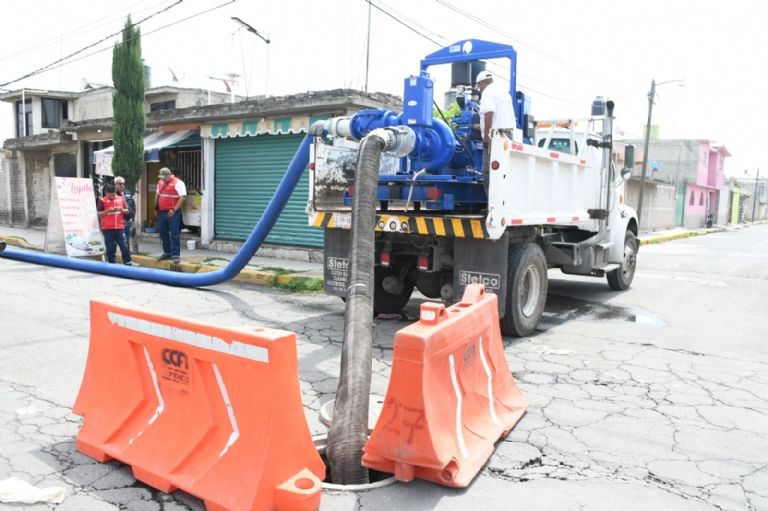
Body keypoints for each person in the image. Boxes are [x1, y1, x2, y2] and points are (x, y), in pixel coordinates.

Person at [476, 70, 517, 195]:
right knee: (503, 172)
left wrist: (486, 138)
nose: (479, 89)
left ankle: (492, 204)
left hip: (495, 137)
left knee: (488, 172)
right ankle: (503, 202)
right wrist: (480, 127)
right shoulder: (504, 92)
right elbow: (500, 117)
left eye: (479, 86)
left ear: (482, 83)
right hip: (508, 136)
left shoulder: (487, 92)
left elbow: (489, 113)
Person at [155, 167, 186, 263]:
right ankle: (167, 252)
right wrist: (155, 207)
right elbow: (157, 195)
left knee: (174, 233)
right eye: (161, 177)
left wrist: (174, 209)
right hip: (162, 211)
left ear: (169, 175)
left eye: (164, 177)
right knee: (163, 233)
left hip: (173, 212)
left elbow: (183, 197)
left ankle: (176, 254)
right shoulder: (160, 182)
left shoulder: (178, 183)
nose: (163, 179)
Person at [97, 184, 134, 265]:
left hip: (119, 227)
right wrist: (107, 211)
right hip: (107, 228)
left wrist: (122, 210)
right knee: (110, 247)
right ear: (106, 193)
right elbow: (98, 214)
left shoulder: (121, 199)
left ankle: (127, 261)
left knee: (124, 245)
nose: (112, 196)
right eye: (110, 195)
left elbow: (127, 210)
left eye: (113, 194)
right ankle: (112, 262)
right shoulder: (102, 201)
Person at [114, 176, 136, 262]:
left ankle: (127, 260)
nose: (122, 185)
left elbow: (133, 205)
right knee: (115, 242)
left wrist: (132, 217)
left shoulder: (128, 193)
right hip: (118, 222)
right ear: (116, 184)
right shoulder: (113, 194)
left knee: (127, 242)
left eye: (123, 183)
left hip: (128, 221)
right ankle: (113, 259)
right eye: (120, 184)